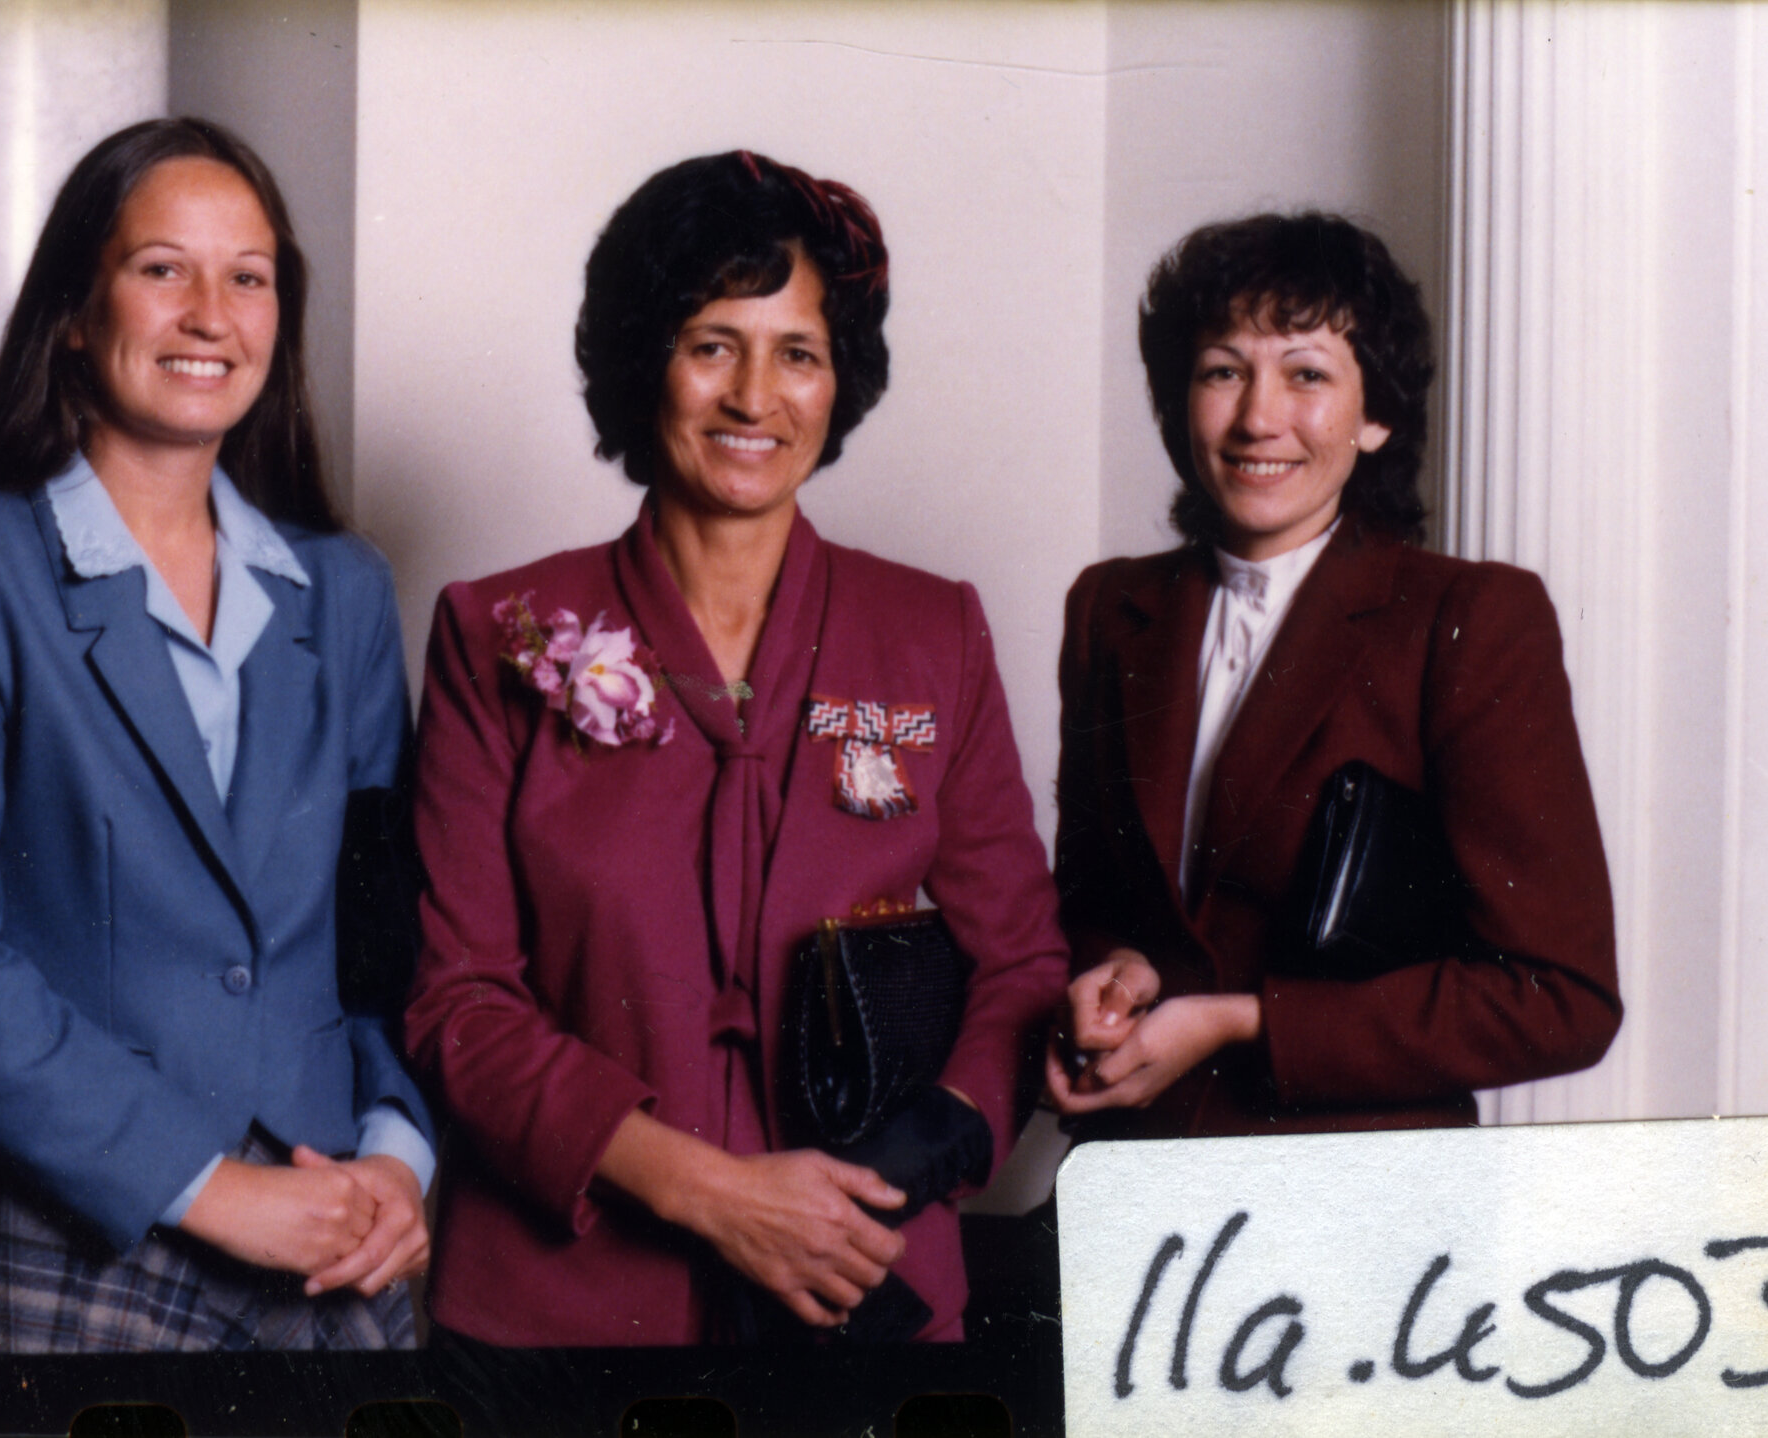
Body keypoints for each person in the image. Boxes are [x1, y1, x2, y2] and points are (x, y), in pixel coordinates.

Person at [404, 150, 1066, 1347]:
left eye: (798, 353)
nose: (755, 395)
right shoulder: (496, 633)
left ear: (838, 381)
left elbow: (1018, 963)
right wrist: (712, 1192)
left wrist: (896, 1174)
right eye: (712, 342)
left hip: (864, 1285)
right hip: (563, 1313)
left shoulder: (935, 632)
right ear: (640, 360)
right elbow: (459, 1001)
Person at [0, 117, 435, 1353]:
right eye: (162, 268)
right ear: (73, 306)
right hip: (66, 1231)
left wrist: (397, 1156)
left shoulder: (345, 591)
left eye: (249, 277)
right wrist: (214, 1190)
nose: (210, 312)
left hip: (337, 1242)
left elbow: (387, 945)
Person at [1048, 212, 1621, 1139]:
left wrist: (1246, 1022)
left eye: (1306, 374)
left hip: (1358, 1206)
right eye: (1221, 370)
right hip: (1135, 1177)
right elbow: (1082, 902)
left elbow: (1559, 998)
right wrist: (1117, 967)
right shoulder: (1110, 609)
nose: (1256, 417)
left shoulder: (1466, 621)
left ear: (1376, 413)